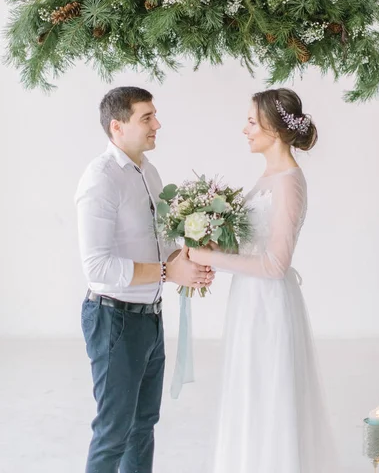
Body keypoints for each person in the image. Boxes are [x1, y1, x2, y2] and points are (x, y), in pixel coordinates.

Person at [189, 88, 335, 473]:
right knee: (247, 391)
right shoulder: (270, 174)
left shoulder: (288, 182)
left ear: (273, 127)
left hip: (268, 305)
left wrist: (209, 258)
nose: (245, 129)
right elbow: (255, 243)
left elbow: (275, 265)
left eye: (252, 122)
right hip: (250, 300)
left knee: (267, 393)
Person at [75, 86, 213, 473]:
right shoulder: (99, 179)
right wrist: (170, 272)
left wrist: (189, 261)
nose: (158, 124)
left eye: (155, 115)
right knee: (113, 432)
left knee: (142, 428)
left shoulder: (148, 172)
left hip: (149, 318)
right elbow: (98, 268)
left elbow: (161, 244)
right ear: (117, 127)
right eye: (146, 118)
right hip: (113, 320)